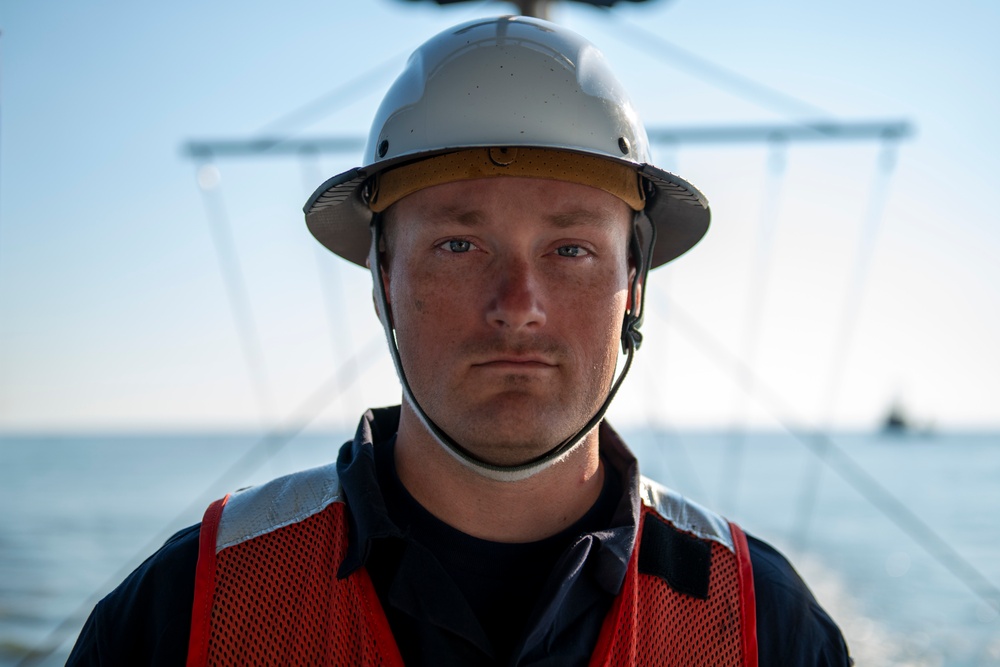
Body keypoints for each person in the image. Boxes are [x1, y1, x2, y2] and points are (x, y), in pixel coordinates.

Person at [68, 15, 851, 666]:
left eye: (570, 249)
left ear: (634, 285)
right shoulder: (192, 609)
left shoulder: (763, 626)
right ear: (381, 277)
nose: (518, 306)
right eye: (458, 246)